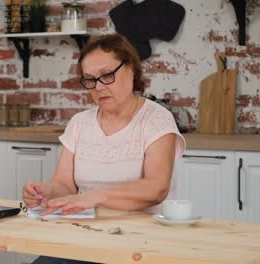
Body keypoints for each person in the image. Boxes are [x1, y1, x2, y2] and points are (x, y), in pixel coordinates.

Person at [23, 33, 186, 264]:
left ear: (130, 69)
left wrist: (96, 197)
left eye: (106, 75)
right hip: (84, 237)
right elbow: (65, 185)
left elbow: (156, 189)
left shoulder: (156, 119)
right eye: (89, 79)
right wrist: (45, 192)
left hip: (141, 244)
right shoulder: (79, 123)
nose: (98, 87)